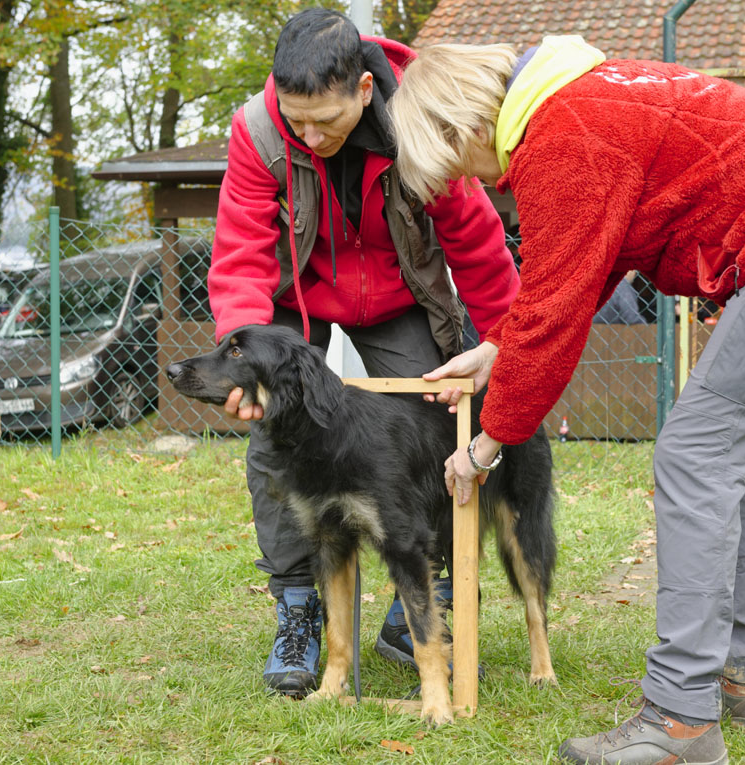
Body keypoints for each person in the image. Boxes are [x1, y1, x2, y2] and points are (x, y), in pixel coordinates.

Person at [388, 37, 745, 764]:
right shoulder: (581, 98)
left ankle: (679, 718)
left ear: (459, 125)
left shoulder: (563, 136)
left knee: (695, 455)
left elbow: (559, 311)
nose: (477, 180)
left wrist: (482, 448)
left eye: (461, 167)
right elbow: (582, 269)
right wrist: (496, 346)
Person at [207, 9, 520, 698]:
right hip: (293, 302)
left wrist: (507, 344)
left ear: (364, 89)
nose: (311, 137)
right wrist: (245, 356)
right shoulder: (257, 131)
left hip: (400, 297)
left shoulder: (422, 118)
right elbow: (240, 254)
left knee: (430, 427)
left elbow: (475, 240)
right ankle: (298, 608)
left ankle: (416, 608)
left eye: (327, 120)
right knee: (275, 436)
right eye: (299, 122)